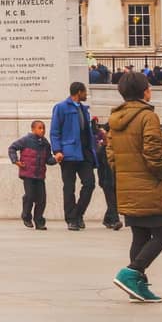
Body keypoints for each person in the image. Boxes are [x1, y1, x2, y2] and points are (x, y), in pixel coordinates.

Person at [106, 72, 162, 303]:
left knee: (140, 235)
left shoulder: (116, 118)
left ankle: (138, 285)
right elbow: (153, 152)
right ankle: (131, 273)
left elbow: (111, 153)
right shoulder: (147, 116)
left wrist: (122, 173)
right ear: (144, 91)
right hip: (147, 185)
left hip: (126, 184)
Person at [50, 82, 98, 231]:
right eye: (84, 92)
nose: (86, 95)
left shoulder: (84, 109)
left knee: (89, 183)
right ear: (78, 92)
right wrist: (57, 150)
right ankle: (71, 219)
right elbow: (55, 131)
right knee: (69, 188)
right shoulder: (61, 107)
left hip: (85, 154)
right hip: (68, 154)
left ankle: (77, 214)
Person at [8, 120, 53, 230]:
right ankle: (26, 216)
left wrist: (57, 159)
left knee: (42, 199)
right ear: (33, 129)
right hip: (28, 174)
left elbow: (48, 160)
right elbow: (12, 148)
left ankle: (39, 221)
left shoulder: (45, 143)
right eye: (39, 128)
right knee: (30, 195)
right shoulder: (26, 140)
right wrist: (16, 161)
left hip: (40, 175)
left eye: (43, 128)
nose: (42, 130)